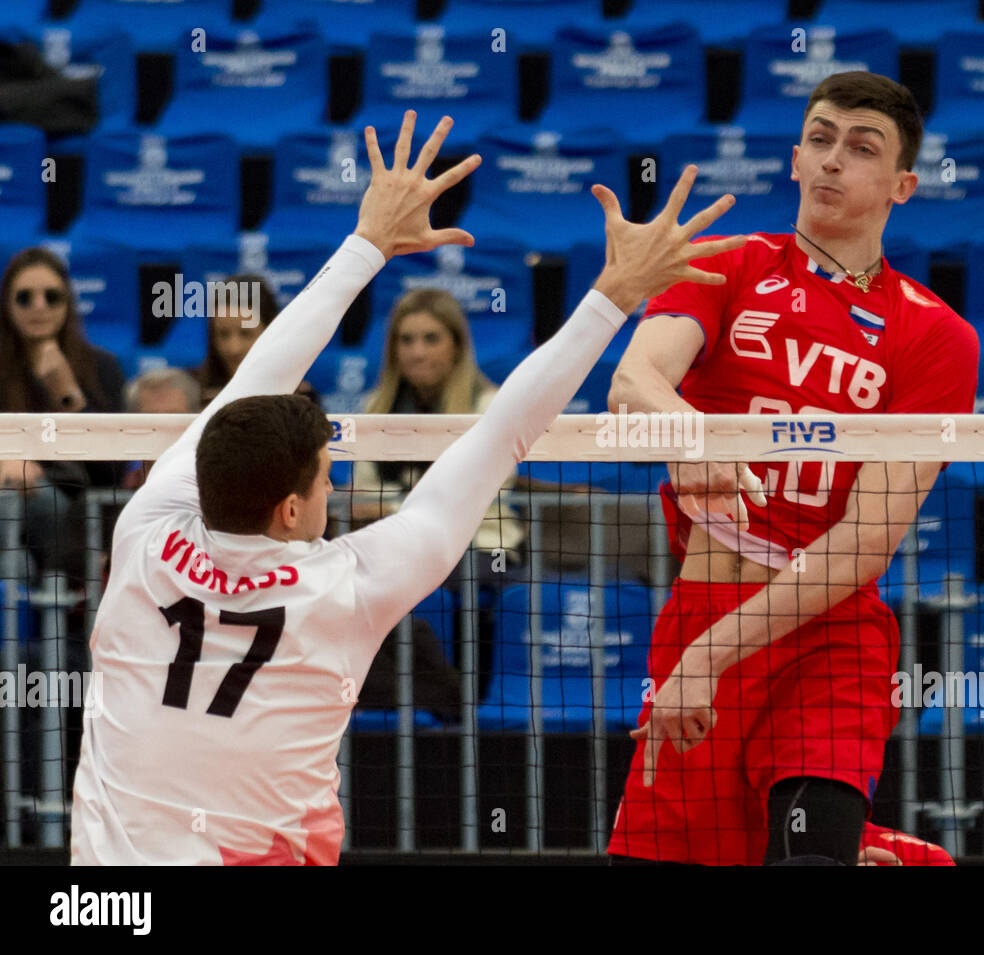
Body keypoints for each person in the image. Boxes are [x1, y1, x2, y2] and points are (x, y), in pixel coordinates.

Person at [69, 110, 745, 865]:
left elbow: (254, 384)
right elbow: (503, 435)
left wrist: (366, 245)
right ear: (291, 506)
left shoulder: (144, 532)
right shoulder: (346, 589)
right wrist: (613, 294)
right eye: (329, 478)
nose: (335, 489)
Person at [605, 71, 980, 866]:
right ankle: (886, 851)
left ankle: (848, 846)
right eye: (819, 139)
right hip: (699, 604)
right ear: (795, 159)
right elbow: (634, 383)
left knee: (806, 857)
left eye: (860, 147)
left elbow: (867, 543)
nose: (833, 160)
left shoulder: (937, 335)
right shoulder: (723, 263)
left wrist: (711, 656)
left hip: (829, 636)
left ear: (902, 185)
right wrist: (694, 435)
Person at [349, 288, 523, 563]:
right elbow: (364, 494)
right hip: (395, 549)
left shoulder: (489, 407)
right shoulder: (375, 408)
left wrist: (390, 506)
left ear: (457, 345)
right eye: (406, 340)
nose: (417, 352)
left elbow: (470, 499)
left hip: (481, 549)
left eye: (431, 339)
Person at [0, 246, 126, 579]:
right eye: (25, 298)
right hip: (5, 497)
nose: (38, 306)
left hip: (78, 510)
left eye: (51, 297)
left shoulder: (102, 367)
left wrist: (69, 396)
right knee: (15, 566)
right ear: (7, 306)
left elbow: (111, 476)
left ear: (67, 303)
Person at [190, 272, 319, 408]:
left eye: (246, 334)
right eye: (223, 334)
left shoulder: (301, 400)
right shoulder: (189, 394)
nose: (234, 348)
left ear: (271, 332)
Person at [122, 367, 203, 488]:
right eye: (152, 417)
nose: (163, 427)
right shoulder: (119, 477)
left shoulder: (215, 480)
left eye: (173, 416)